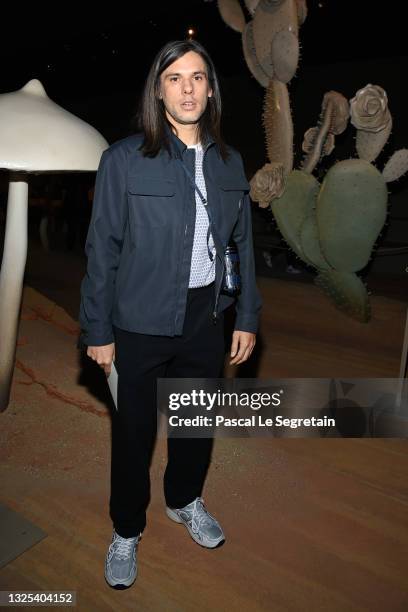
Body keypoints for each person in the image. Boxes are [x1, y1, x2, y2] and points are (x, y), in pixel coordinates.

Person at [78, 39, 262, 590]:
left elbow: (242, 248)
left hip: (206, 318)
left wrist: (246, 315)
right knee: (133, 435)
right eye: (175, 77)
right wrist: (98, 330)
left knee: (193, 425)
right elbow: (102, 250)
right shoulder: (123, 159)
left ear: (211, 88)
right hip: (137, 322)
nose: (188, 88)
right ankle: (127, 529)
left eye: (198, 77)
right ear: (158, 89)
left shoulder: (229, 161)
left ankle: (184, 500)